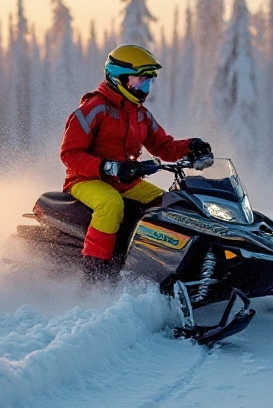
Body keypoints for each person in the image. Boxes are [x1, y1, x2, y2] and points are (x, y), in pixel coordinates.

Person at [60, 44, 213, 279]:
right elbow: (69, 154)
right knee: (111, 205)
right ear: (117, 79)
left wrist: (191, 145)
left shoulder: (140, 115)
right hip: (86, 179)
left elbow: (164, 146)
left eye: (147, 82)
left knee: (171, 204)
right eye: (138, 82)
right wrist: (106, 166)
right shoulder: (93, 109)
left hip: (126, 181)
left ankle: (160, 266)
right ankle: (94, 276)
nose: (143, 88)